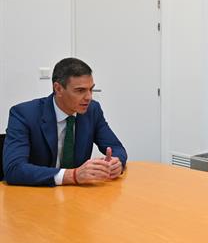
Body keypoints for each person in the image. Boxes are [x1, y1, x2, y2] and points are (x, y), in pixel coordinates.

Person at [2, 57, 127, 186]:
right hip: (35, 194)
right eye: (80, 90)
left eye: (91, 89)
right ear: (58, 89)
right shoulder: (24, 114)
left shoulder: (92, 111)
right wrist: (71, 175)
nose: (89, 97)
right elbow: (14, 169)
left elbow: (116, 148)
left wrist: (116, 163)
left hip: (75, 195)